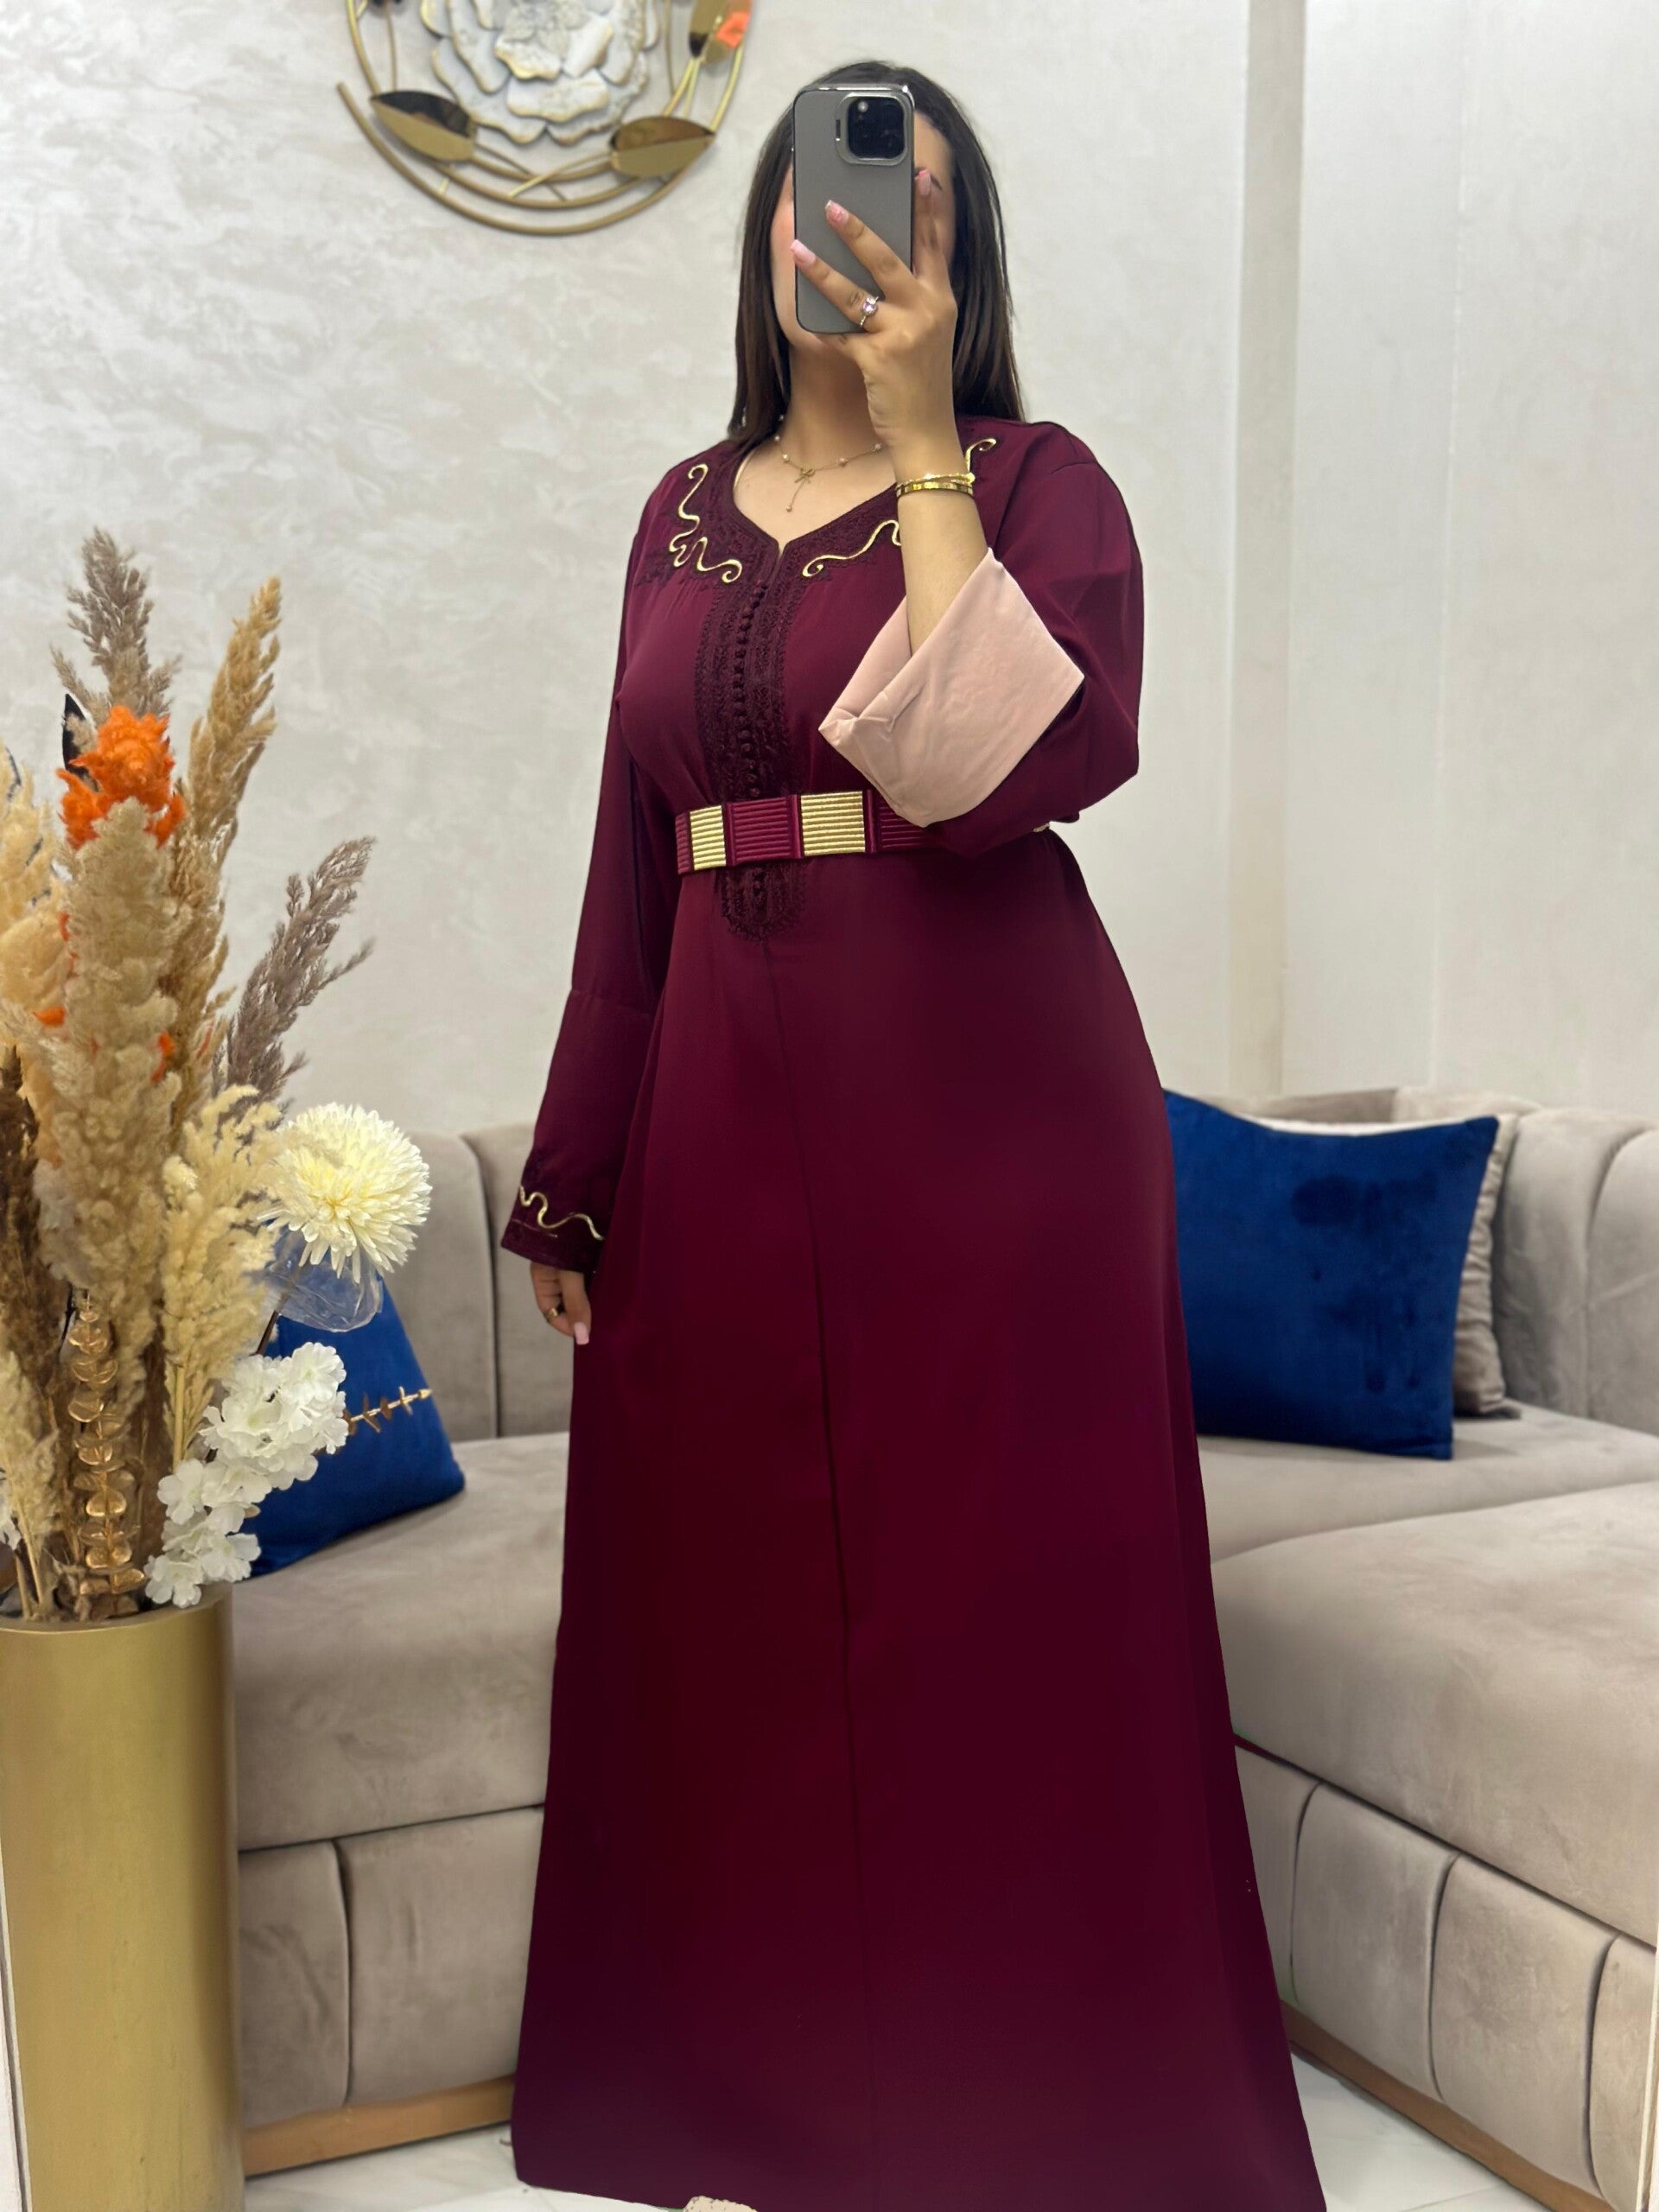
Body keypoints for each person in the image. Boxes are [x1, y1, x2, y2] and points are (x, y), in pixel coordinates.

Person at [499, 56, 1327, 2212]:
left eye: (912, 204)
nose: (858, 228)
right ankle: (755, 2107)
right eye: (823, 193)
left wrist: (926, 435)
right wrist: (578, 1164)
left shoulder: (1043, 486)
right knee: (726, 1619)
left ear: (966, 255)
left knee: (1003, 1617)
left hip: (998, 1126)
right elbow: (633, 852)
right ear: (766, 229)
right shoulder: (675, 509)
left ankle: (1039, 2112)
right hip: (720, 1114)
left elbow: (980, 767)